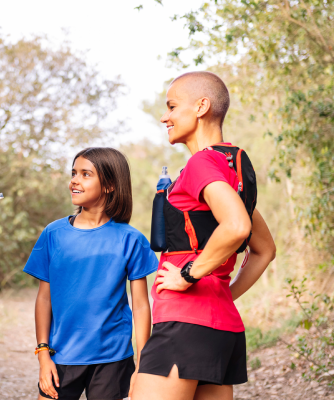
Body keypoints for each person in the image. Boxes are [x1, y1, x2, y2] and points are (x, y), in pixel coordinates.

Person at [130, 71, 277, 400]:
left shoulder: (200, 165)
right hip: (222, 329)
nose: (164, 116)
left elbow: (237, 226)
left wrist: (188, 275)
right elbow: (264, 249)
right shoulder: (230, 170)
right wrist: (224, 293)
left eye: (171, 106)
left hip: (183, 326)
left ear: (201, 106)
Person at [23, 147, 158, 400]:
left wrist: (142, 364)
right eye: (74, 173)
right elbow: (44, 298)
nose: (74, 180)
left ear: (109, 185)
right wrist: (43, 354)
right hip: (61, 355)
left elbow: (140, 305)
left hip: (113, 358)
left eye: (86, 174)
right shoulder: (53, 234)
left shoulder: (131, 240)